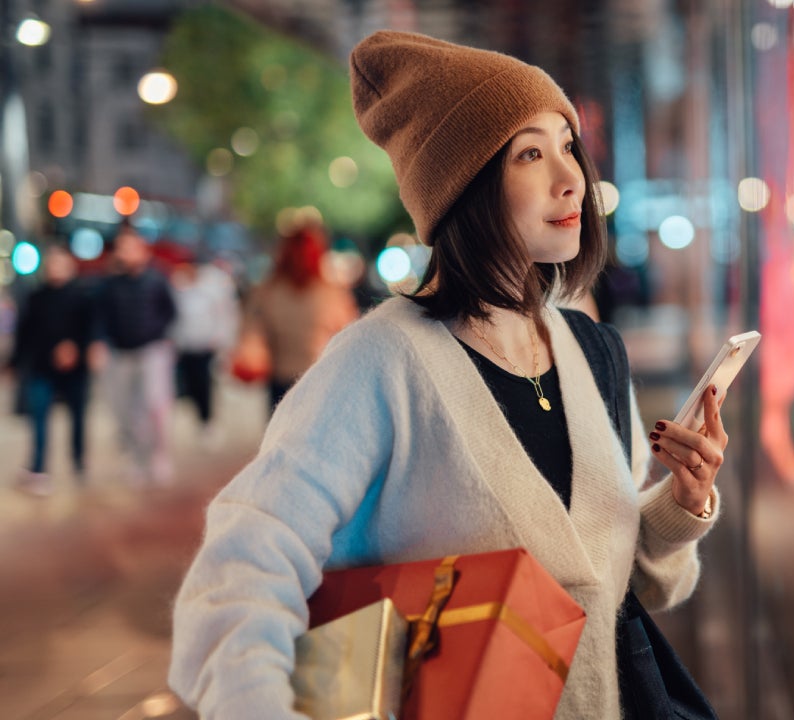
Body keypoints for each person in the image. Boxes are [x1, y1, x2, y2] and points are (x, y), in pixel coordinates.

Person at [169, 31, 726, 720]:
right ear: (463, 187)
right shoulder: (381, 362)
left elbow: (615, 580)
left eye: (565, 143)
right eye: (530, 153)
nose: (571, 175)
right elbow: (242, 563)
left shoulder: (594, 350)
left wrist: (681, 503)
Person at [238, 221, 358, 411]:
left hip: (282, 378)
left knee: (282, 435)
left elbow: (251, 330)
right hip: (318, 379)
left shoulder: (268, 291)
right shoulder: (332, 293)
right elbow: (350, 336)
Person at [6, 243, 96, 494]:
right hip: (41, 369)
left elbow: (91, 331)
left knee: (77, 417)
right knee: (39, 420)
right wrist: (13, 363)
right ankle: (38, 468)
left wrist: (76, 349)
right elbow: (25, 334)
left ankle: (79, 462)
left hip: (75, 370)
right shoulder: (36, 297)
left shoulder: (82, 297)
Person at [95, 221, 178, 486]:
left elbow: (171, 312)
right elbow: (102, 318)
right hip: (122, 354)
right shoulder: (110, 285)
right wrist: (100, 343)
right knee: (126, 410)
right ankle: (135, 459)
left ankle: (159, 456)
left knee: (155, 406)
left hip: (152, 350)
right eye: (122, 248)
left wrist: (162, 337)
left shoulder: (157, 279)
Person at [170, 257, 240, 445]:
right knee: (191, 385)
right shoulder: (179, 289)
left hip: (206, 345)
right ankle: (200, 418)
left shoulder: (210, 289)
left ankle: (207, 421)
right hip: (186, 346)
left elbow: (223, 315)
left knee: (205, 384)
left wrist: (222, 340)